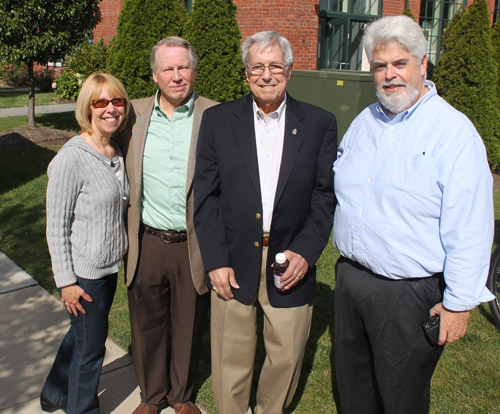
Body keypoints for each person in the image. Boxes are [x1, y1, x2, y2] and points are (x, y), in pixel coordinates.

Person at [332, 15, 494, 414]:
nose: (390, 75)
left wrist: (458, 303)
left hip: (407, 295)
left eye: (400, 63)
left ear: (423, 64)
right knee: (353, 391)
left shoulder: (453, 133)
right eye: (380, 66)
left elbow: (470, 224)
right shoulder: (363, 122)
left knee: (400, 398)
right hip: (352, 280)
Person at [194, 31, 337, 414]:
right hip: (233, 259)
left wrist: (306, 252)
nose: (266, 74)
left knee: (286, 357)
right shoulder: (218, 121)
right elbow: (206, 199)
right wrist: (215, 261)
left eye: (275, 65)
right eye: (257, 66)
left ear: (289, 70)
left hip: (291, 260)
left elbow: (325, 197)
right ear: (246, 73)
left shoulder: (319, 123)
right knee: (230, 359)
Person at [113, 37, 217, 414]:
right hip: (148, 240)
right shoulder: (133, 115)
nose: (177, 76)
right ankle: (152, 396)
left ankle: (181, 396)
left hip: (194, 242)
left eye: (183, 67)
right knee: (146, 324)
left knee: (189, 323)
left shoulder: (216, 115)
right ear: (155, 75)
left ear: (194, 70)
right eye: (168, 69)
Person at [41, 73, 130, 414]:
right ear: (87, 108)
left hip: (108, 267)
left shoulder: (114, 149)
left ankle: (54, 392)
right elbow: (56, 225)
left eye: (117, 101)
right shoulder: (71, 158)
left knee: (81, 334)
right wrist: (66, 281)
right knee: (91, 349)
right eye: (101, 102)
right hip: (84, 273)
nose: (111, 109)